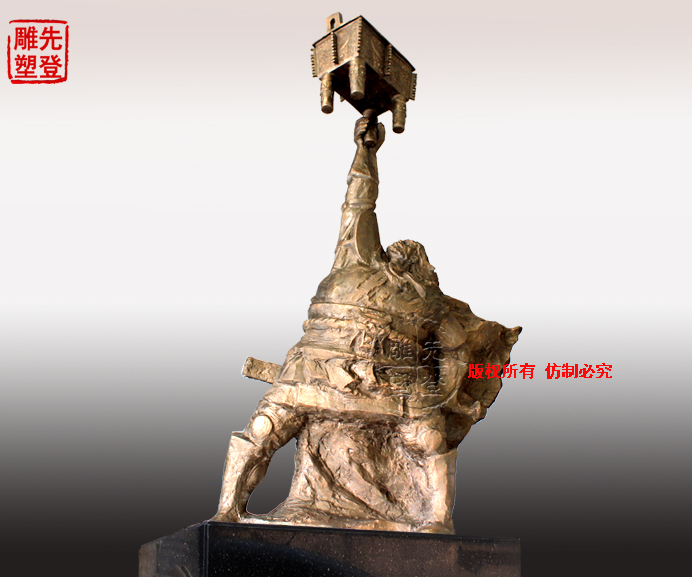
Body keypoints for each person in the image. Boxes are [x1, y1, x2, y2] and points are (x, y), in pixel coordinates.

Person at [213, 113, 520, 533]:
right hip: (314, 368)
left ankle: (436, 520)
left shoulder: (430, 302)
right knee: (264, 430)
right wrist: (366, 151)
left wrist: (442, 393)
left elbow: (455, 348)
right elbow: (358, 200)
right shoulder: (356, 258)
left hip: (393, 383)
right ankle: (227, 511)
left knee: (428, 439)